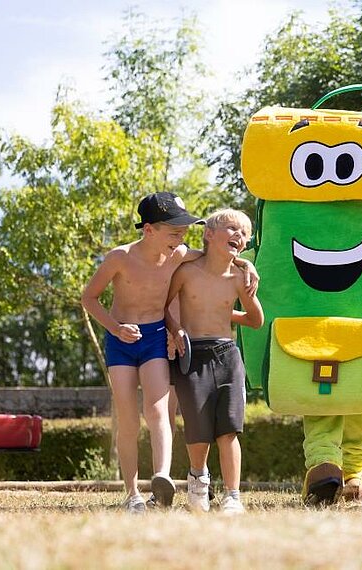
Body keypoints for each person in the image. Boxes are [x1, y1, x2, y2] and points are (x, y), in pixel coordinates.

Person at [81, 192, 255, 514]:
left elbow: (218, 255)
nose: (181, 238)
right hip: (121, 339)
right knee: (128, 419)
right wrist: (115, 327)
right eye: (174, 232)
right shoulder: (119, 257)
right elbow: (88, 298)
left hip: (155, 337)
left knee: (159, 409)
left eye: (184, 231)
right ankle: (132, 493)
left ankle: (161, 477)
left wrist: (245, 265)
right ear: (148, 230)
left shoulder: (179, 255)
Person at [165, 208, 264, 515]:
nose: (238, 235)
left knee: (228, 429)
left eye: (244, 233)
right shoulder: (185, 271)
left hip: (227, 355)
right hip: (191, 354)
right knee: (198, 425)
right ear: (208, 234)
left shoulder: (239, 277)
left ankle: (233, 495)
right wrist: (176, 329)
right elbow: (164, 308)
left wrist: (227, 312)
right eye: (231, 228)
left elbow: (256, 319)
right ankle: (198, 479)